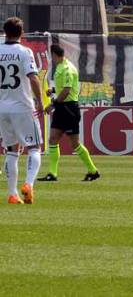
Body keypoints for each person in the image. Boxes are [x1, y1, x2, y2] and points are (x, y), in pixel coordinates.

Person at [0, 17, 45, 204]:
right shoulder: (25, 52)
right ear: (22, 33)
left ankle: (12, 194)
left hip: (2, 108)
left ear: (5, 32)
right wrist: (40, 102)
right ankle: (28, 184)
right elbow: (33, 78)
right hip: (23, 107)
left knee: (11, 150)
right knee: (35, 147)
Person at [40, 44, 99, 183]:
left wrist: (52, 105)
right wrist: (53, 91)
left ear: (55, 54)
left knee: (75, 144)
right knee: (53, 139)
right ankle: (52, 174)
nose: (51, 58)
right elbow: (65, 87)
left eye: (51, 55)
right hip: (62, 108)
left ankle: (93, 170)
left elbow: (67, 91)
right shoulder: (62, 66)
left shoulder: (67, 68)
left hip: (68, 109)